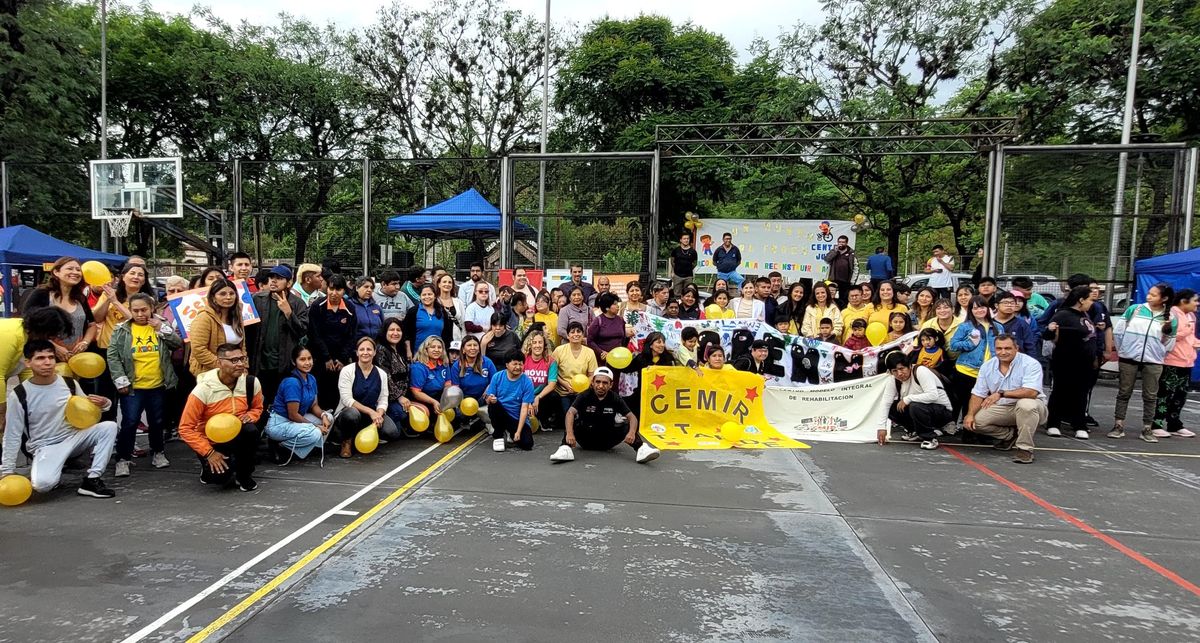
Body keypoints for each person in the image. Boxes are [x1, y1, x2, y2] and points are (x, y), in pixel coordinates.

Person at [1, 340, 117, 498]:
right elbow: (12, 434)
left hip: (75, 438)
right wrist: (7, 471)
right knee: (43, 486)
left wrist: (105, 403)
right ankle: (51, 468)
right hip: (46, 446)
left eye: (51, 357)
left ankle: (92, 480)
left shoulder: (69, 383)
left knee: (109, 427)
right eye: (40, 358)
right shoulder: (20, 394)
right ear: (28, 363)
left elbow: (89, 410)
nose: (47, 362)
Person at [106, 292, 182, 477]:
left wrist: (162, 328)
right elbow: (113, 356)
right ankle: (123, 459)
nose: (140, 314)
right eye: (136, 310)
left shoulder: (160, 325)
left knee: (157, 422)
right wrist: (120, 380)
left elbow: (177, 344)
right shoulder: (122, 329)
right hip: (133, 387)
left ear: (152, 309)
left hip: (158, 385)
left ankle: (158, 452)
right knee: (130, 422)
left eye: (144, 310)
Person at [177, 343, 263, 491]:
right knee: (219, 479)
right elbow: (185, 428)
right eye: (234, 360)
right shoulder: (203, 390)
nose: (240, 364)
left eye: (242, 359)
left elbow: (258, 408)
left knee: (251, 431)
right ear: (219, 363)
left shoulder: (251, 382)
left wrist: (251, 415)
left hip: (238, 433)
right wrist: (209, 453)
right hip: (212, 441)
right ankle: (209, 467)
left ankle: (244, 474)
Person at [963, 334, 1048, 464]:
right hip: (1004, 407)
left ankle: (1025, 449)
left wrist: (1001, 394)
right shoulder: (987, 366)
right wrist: (970, 414)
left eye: (1007, 348)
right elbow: (978, 394)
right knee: (976, 422)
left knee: (1026, 405)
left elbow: (1031, 392)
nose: (1003, 352)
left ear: (1016, 348)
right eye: (999, 348)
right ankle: (1010, 435)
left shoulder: (1030, 364)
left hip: (1033, 407)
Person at [549, 367, 661, 464]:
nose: (600, 386)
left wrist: (631, 433)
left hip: (607, 440)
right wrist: (569, 433)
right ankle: (565, 449)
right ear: (592, 383)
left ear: (611, 384)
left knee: (627, 425)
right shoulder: (584, 395)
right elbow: (570, 413)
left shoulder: (615, 398)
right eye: (597, 382)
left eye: (605, 383)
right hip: (586, 439)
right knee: (572, 420)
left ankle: (641, 450)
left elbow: (632, 417)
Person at [1109, 282, 1177, 443]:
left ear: (1164, 298)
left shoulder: (1171, 318)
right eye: (1149, 293)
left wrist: (1159, 353)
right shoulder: (1135, 309)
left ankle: (1147, 428)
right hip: (1128, 358)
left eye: (1154, 295)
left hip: (1153, 361)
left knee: (1150, 395)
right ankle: (1118, 425)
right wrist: (1123, 350)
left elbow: (1170, 342)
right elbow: (1119, 332)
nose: (1149, 296)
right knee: (1124, 392)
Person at [248, 265, 308, 407]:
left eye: (279, 278)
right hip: (260, 363)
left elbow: (302, 331)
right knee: (259, 403)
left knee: (280, 403)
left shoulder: (297, 303)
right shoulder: (257, 299)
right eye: (271, 277)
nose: (273, 281)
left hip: (284, 364)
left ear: (289, 283)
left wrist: (289, 313)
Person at [1043, 285, 1098, 439]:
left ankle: (1079, 424)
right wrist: (1051, 329)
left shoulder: (1085, 314)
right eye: (1090, 299)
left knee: (1081, 393)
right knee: (1060, 391)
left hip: (1084, 362)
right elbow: (1048, 335)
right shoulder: (1063, 315)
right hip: (1066, 361)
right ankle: (1053, 423)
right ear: (1081, 300)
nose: (1092, 303)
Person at [332, 337, 398, 458]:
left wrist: (379, 414)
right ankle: (346, 441)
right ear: (357, 352)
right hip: (350, 413)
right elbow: (347, 400)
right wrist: (371, 412)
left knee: (391, 432)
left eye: (369, 349)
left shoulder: (382, 374)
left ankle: (367, 436)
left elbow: (383, 399)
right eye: (362, 349)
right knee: (352, 415)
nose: (365, 352)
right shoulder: (347, 370)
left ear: (374, 352)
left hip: (371, 415)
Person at [265, 346, 331, 465]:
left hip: (296, 420)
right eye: (302, 359)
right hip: (280, 423)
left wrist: (323, 416)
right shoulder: (292, 382)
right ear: (293, 362)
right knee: (315, 432)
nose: (307, 363)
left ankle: (306, 447)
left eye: (309, 358)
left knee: (329, 418)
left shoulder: (311, 378)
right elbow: (293, 415)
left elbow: (314, 405)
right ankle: (280, 445)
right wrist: (315, 426)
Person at [23, 257, 97, 362]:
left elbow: (92, 325)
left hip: (77, 358)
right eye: (70, 268)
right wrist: (54, 347)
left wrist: (85, 342)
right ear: (56, 272)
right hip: (46, 356)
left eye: (78, 270)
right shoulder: (42, 293)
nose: (75, 272)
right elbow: (28, 324)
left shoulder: (81, 298)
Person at [880, 351, 954, 450]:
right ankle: (914, 431)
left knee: (915, 406)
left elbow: (933, 395)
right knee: (892, 407)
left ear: (909, 366)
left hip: (942, 412)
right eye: (895, 371)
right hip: (920, 409)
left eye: (902, 369)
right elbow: (886, 402)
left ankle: (929, 438)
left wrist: (908, 398)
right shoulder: (893, 379)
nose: (899, 374)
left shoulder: (920, 371)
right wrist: (882, 428)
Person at [1153, 289, 1199, 438]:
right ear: (1184, 301)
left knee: (1180, 395)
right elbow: (1165, 336)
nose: (1197, 303)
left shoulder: (1191, 316)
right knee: (1165, 394)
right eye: (1195, 300)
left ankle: (1174, 424)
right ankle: (1156, 424)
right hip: (1171, 361)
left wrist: (1196, 343)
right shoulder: (1171, 314)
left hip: (1187, 362)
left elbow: (1191, 338)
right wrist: (1185, 332)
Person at [950, 296, 1001, 424]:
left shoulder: (998, 327)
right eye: (975, 308)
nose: (979, 310)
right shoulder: (965, 326)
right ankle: (957, 427)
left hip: (987, 372)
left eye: (982, 307)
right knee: (963, 401)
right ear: (971, 310)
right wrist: (970, 343)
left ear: (987, 308)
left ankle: (972, 429)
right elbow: (953, 345)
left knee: (979, 404)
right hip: (966, 370)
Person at [189, 278, 246, 376]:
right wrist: (225, 366)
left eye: (232, 293)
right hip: (209, 374)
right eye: (222, 294)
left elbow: (242, 346)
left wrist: (243, 365)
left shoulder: (237, 316)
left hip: (235, 372)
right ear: (213, 297)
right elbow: (199, 350)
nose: (228, 297)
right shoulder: (204, 318)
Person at [375, 318, 422, 434]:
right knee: (398, 423)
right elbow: (386, 377)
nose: (395, 333)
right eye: (391, 330)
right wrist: (399, 397)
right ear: (384, 331)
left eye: (398, 330)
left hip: (402, 396)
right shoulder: (381, 349)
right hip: (387, 398)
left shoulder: (400, 349)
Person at [485, 352, 536, 452]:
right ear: (507, 365)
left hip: (516, 418)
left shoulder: (527, 382)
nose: (518, 367)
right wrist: (490, 399)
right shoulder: (497, 377)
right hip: (501, 413)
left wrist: (518, 432)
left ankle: (510, 432)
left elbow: (524, 408)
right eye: (515, 364)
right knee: (493, 404)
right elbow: (488, 399)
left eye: (520, 364)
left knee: (527, 444)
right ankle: (498, 435)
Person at [624, 331, 677, 414]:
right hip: (642, 396)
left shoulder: (668, 358)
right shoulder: (640, 358)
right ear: (651, 345)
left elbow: (673, 376)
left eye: (663, 342)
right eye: (659, 342)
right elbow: (626, 369)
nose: (662, 345)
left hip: (662, 397)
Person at [552, 321, 598, 414]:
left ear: (583, 334)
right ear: (568, 336)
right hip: (563, 392)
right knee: (567, 414)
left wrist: (582, 387)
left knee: (582, 415)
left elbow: (592, 374)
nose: (576, 334)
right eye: (572, 332)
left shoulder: (589, 352)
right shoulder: (559, 350)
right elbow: (552, 372)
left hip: (582, 392)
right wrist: (564, 384)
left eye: (578, 331)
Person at [449, 336, 496, 425]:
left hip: (483, 397)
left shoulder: (487, 362)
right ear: (463, 349)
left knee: (494, 403)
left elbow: (495, 381)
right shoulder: (456, 366)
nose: (472, 348)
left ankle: (486, 421)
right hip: (465, 399)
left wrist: (489, 390)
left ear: (479, 348)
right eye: (469, 345)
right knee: (460, 415)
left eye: (475, 345)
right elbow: (456, 389)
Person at [409, 336, 461, 416]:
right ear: (426, 349)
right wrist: (433, 402)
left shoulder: (444, 363)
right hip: (423, 398)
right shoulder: (418, 367)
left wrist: (446, 398)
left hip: (439, 395)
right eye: (433, 347)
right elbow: (416, 393)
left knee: (452, 410)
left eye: (439, 347)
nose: (436, 350)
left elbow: (447, 384)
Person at [402, 283, 454, 360]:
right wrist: (408, 351)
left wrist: (447, 352)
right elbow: (406, 333)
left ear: (435, 296)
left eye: (429, 294)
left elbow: (447, 335)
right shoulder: (413, 311)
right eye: (424, 295)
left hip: (438, 354)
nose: (427, 297)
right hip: (417, 355)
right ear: (420, 296)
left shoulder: (442, 312)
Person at [522, 330, 560, 431]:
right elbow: (518, 383)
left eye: (540, 342)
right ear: (530, 345)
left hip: (540, 396)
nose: (537, 345)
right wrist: (527, 400)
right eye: (534, 342)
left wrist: (538, 397)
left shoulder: (551, 361)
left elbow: (552, 384)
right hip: (524, 394)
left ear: (544, 345)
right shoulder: (523, 359)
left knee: (554, 396)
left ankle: (543, 419)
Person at [588, 293, 632, 362]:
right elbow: (590, 341)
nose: (618, 306)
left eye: (617, 303)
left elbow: (623, 339)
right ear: (607, 308)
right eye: (615, 304)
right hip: (603, 359)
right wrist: (601, 352)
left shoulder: (620, 320)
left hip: (618, 358)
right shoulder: (598, 321)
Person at [824, 235, 856, 306]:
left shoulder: (851, 253)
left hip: (845, 280)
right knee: (830, 296)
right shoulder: (834, 251)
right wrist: (835, 252)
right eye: (839, 242)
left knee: (844, 298)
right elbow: (826, 260)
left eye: (843, 242)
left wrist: (852, 281)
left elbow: (855, 267)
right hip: (833, 279)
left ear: (846, 243)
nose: (841, 244)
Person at [435, 273, 465, 341]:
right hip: (438, 340)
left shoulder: (458, 302)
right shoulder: (434, 302)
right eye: (444, 282)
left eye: (450, 282)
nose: (447, 284)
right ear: (439, 284)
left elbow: (463, 323)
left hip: (456, 340)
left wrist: (464, 340)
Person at [669, 232, 698, 297]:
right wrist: (674, 270)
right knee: (677, 294)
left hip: (688, 276)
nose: (686, 240)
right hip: (677, 275)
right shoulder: (676, 250)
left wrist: (689, 268)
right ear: (681, 240)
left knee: (688, 293)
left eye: (688, 238)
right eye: (684, 239)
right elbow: (672, 261)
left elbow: (695, 263)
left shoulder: (693, 251)